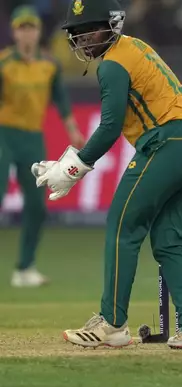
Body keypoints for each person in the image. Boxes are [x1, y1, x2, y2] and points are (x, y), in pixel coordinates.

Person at [31, 0, 182, 349]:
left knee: (122, 226)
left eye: (89, 30)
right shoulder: (137, 47)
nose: (83, 39)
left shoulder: (113, 64)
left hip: (170, 143)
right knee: (169, 241)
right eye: (77, 33)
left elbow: (109, 127)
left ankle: (113, 325)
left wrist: (72, 169)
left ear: (111, 24)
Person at [0, 5, 85, 288]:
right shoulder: (4, 63)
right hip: (3, 134)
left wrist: (72, 128)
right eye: (22, 28)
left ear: (38, 31)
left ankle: (24, 268)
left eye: (31, 28)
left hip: (32, 138)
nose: (27, 34)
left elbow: (60, 99)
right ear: (13, 32)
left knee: (37, 205)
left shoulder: (49, 65)